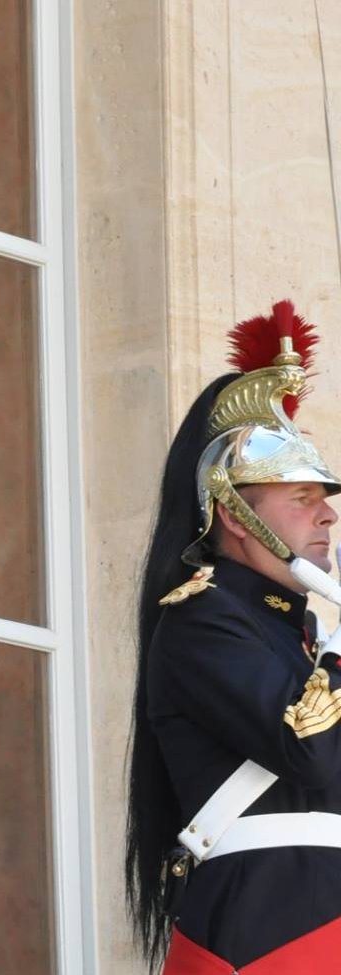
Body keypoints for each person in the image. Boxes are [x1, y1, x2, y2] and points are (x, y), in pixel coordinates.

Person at [125, 300, 341, 974]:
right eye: (301, 497)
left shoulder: (302, 636)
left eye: (323, 497)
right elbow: (309, 750)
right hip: (270, 940)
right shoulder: (201, 618)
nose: (327, 513)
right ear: (236, 513)